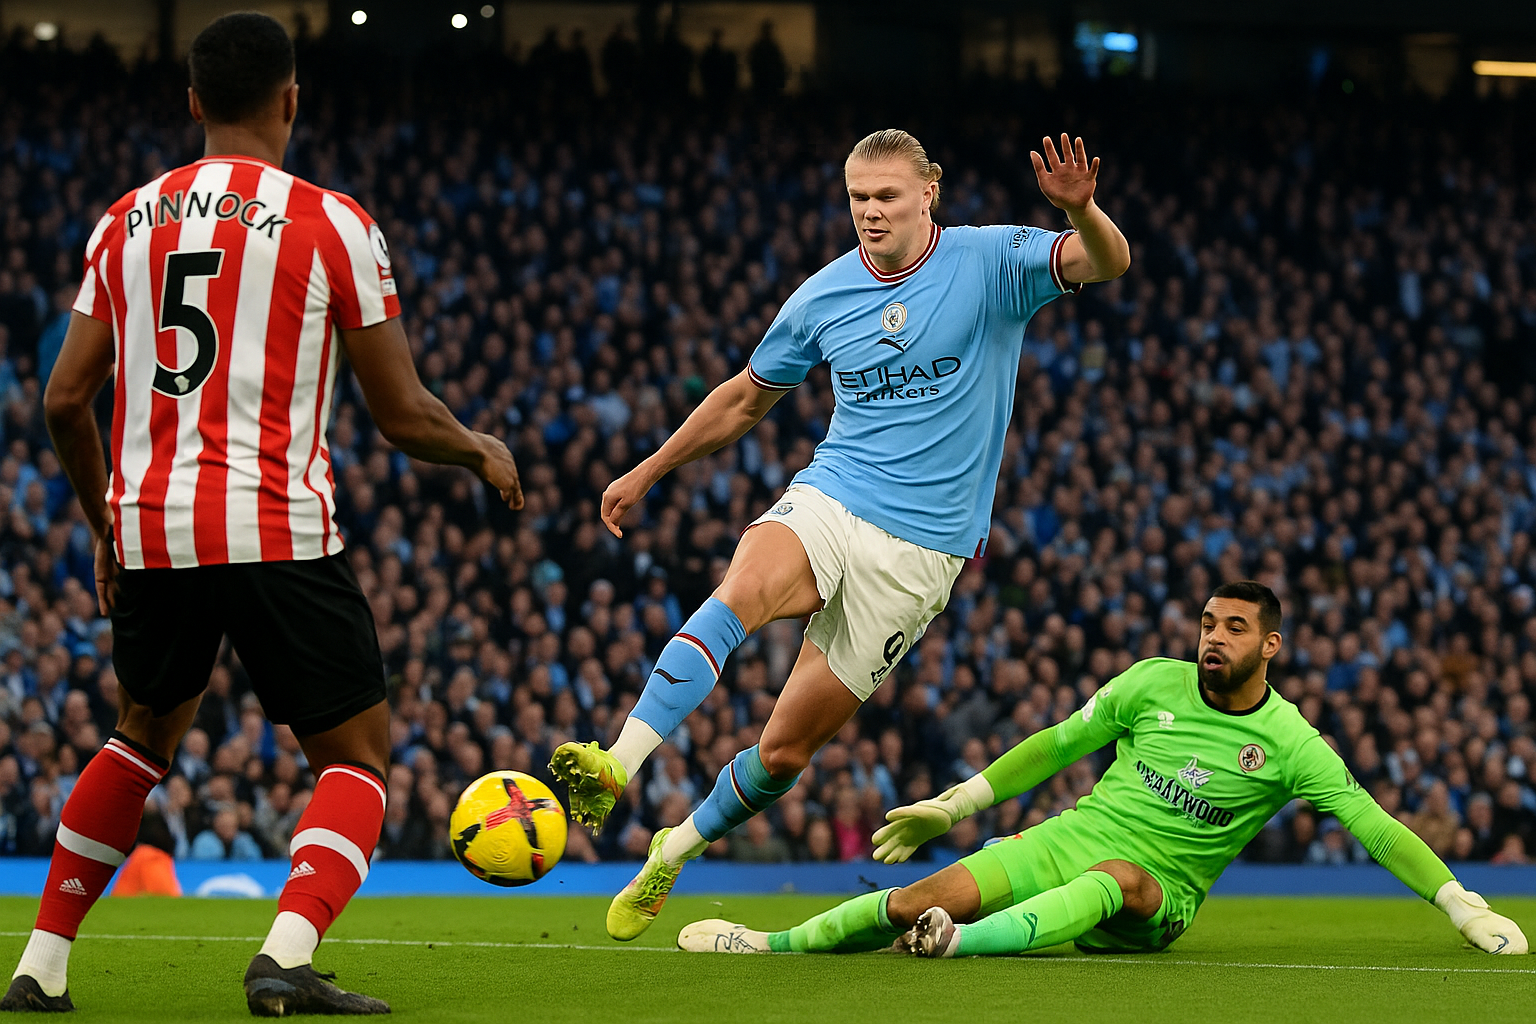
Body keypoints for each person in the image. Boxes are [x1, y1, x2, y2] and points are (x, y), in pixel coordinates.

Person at [1, 12, 520, 1016]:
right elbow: (402, 412)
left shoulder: (123, 221)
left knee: (139, 737)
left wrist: (108, 524)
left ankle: (41, 965)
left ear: (192, 102)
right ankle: (284, 953)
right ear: (292, 98)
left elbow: (65, 397)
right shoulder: (332, 222)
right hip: (274, 522)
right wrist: (479, 447)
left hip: (152, 527)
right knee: (356, 757)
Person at [550, 127, 1130, 940]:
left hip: (924, 551)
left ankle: (672, 850)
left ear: (930, 191)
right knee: (740, 591)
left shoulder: (994, 261)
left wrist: (1083, 210)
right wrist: (647, 469)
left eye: (886, 196)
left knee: (783, 755)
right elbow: (744, 398)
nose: (870, 212)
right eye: (858, 198)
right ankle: (619, 759)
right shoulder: (822, 295)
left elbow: (1107, 262)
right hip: (834, 495)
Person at [676, 583, 1529, 959]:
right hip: (1066, 840)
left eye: (1234, 628)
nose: (1212, 638)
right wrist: (955, 802)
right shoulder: (1151, 682)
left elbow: (1372, 825)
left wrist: (1457, 902)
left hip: (1160, 896)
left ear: (1270, 645)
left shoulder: (1291, 742)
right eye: (1206, 622)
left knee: (1118, 876)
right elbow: (1054, 745)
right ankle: (771, 942)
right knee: (916, 898)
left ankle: (959, 949)